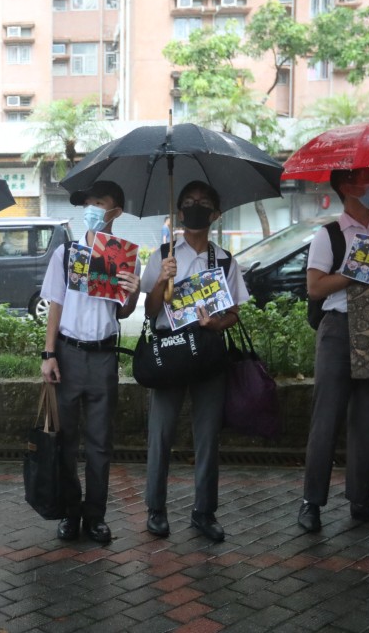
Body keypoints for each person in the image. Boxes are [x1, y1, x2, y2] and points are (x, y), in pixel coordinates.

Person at [297, 167, 369, 535]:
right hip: (339, 330)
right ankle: (311, 503)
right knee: (326, 418)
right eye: (366, 177)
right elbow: (316, 287)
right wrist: (360, 267)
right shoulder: (329, 235)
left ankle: (362, 502)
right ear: (347, 187)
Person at [140, 181, 249, 543]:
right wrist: (161, 281)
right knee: (161, 433)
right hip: (169, 353)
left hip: (207, 354)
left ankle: (204, 512)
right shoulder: (163, 253)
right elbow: (149, 310)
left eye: (203, 203)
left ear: (216, 215)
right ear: (179, 212)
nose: (195, 208)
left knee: (207, 437)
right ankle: (155, 509)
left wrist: (214, 323)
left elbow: (233, 312)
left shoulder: (225, 260)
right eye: (188, 203)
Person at [39, 180, 140, 544]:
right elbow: (55, 304)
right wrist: (49, 354)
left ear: (117, 212)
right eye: (90, 202)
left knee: (99, 443)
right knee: (65, 441)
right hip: (68, 353)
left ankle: (95, 516)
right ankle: (70, 513)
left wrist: (133, 291)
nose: (94, 208)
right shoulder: (66, 253)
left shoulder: (126, 256)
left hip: (103, 356)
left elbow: (125, 310)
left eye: (102, 203)